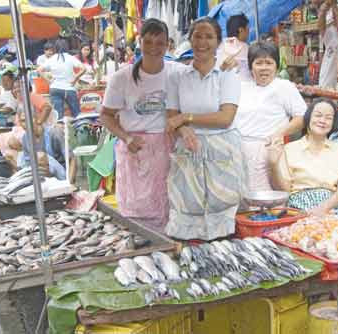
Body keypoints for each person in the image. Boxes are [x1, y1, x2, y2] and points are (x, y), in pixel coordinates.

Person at [164, 17, 244, 240]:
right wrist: (182, 128)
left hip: (222, 149)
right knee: (187, 206)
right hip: (189, 148)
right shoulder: (177, 75)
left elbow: (225, 117)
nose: (202, 42)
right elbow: (171, 114)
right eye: (197, 35)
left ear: (218, 41)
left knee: (223, 207)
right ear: (189, 39)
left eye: (209, 36)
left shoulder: (227, 73)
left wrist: (186, 118)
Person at [101, 18, 180, 233]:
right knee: (137, 206)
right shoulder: (121, 78)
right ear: (139, 42)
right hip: (135, 148)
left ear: (168, 45)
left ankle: (169, 246)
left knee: (169, 202)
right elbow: (106, 116)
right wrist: (126, 138)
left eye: (160, 43)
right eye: (148, 42)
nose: (154, 48)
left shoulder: (177, 72)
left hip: (168, 146)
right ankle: (138, 244)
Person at [269, 98, 338, 226]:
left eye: (328, 117)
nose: (322, 121)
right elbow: (285, 189)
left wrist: (324, 208)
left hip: (333, 205)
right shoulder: (290, 149)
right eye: (318, 115)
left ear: (333, 123)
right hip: (301, 207)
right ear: (309, 118)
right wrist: (273, 165)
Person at [234, 41, 306, 192]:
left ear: (277, 65)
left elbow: (302, 117)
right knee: (241, 198)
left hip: (270, 151)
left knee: (266, 199)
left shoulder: (284, 87)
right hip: (240, 152)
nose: (264, 68)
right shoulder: (240, 87)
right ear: (250, 66)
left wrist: (278, 134)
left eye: (269, 63)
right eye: (259, 63)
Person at [18, 110, 75, 181]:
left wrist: (69, 183)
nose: (27, 123)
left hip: (60, 176)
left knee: (41, 156)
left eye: (30, 118)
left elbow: (72, 159)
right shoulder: (25, 138)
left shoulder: (54, 133)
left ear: (38, 118)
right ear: (20, 123)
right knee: (21, 159)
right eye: (23, 121)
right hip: (40, 177)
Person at [37, 39, 85, 119]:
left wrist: (49, 81)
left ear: (55, 48)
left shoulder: (52, 59)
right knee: (77, 115)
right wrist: (75, 79)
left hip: (55, 88)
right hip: (69, 88)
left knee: (58, 117)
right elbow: (83, 68)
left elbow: (39, 70)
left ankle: (60, 130)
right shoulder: (70, 58)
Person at [318, 0, 338, 89]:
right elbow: (321, 25)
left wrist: (334, 5)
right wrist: (324, 9)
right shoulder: (328, 33)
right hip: (327, 75)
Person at [216, 14, 251, 81]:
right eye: (247, 29)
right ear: (241, 30)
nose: (248, 33)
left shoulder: (220, 44)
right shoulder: (245, 47)